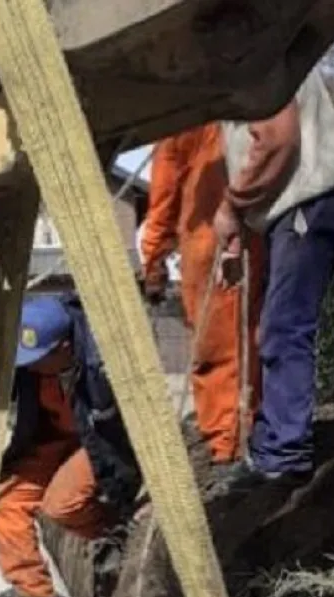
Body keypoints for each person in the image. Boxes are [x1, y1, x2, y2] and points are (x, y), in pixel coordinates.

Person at [0, 294, 143, 597]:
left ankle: (117, 534)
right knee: (6, 503)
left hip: (101, 441)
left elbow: (124, 436)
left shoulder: (103, 362)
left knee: (61, 504)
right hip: (54, 437)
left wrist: (122, 487)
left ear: (64, 348)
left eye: (37, 359)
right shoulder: (29, 364)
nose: (29, 366)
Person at [213, 67, 334, 492]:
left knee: (284, 329)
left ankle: (283, 456)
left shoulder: (252, 58)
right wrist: (239, 228)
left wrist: (231, 205)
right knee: (279, 326)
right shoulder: (269, 50)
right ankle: (276, 444)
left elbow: (277, 139)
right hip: (302, 209)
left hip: (304, 207)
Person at [139, 123, 263, 467]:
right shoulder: (246, 105)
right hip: (258, 233)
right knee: (255, 337)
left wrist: (153, 261)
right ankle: (260, 430)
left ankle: (230, 447)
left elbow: (164, 193)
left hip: (209, 238)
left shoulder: (184, 118)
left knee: (216, 348)